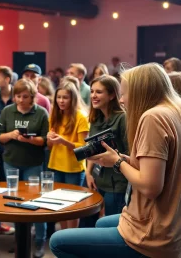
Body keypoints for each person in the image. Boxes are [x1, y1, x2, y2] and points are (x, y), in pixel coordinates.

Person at [50, 63, 181, 258]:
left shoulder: (152, 117)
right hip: (170, 224)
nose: (121, 100)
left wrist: (118, 162)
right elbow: (165, 166)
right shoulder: (174, 109)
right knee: (101, 222)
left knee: (57, 241)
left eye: (124, 93)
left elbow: (151, 187)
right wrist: (123, 160)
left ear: (139, 91)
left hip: (151, 233)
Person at [0, 79, 49, 258]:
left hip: (33, 163)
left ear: (32, 97)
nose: (20, 100)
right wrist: (10, 135)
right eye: (18, 96)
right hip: (11, 160)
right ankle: (19, 241)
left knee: (36, 202)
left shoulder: (41, 113)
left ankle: (39, 242)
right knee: (14, 201)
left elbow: (45, 141)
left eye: (25, 97)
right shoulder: (7, 111)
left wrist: (30, 140)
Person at [47, 81, 89, 229]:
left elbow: (84, 147)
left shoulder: (81, 117)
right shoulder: (55, 115)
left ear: (73, 99)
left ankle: (71, 236)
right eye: (59, 97)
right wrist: (49, 139)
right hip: (56, 165)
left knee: (73, 205)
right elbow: (50, 146)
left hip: (74, 167)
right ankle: (63, 235)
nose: (61, 101)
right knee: (59, 203)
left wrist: (63, 141)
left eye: (65, 97)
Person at [86, 75, 128, 216]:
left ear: (111, 95)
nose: (93, 96)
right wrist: (88, 172)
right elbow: (92, 149)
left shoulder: (123, 118)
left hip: (117, 183)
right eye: (92, 91)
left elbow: (131, 153)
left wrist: (114, 159)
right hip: (98, 179)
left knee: (111, 223)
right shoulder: (96, 118)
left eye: (99, 92)